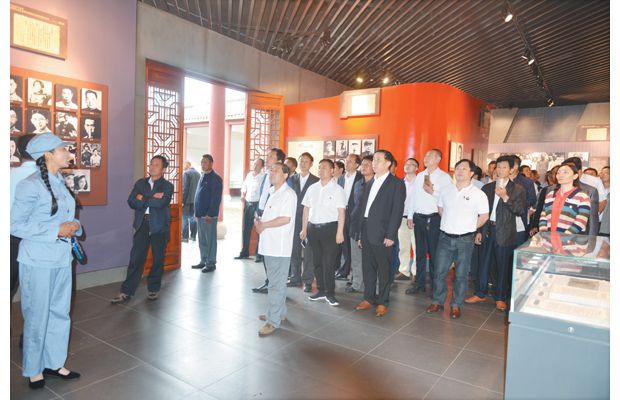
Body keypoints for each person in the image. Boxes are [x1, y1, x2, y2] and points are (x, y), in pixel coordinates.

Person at [11, 133, 82, 389]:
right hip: (37, 260)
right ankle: (34, 369)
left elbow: (66, 217)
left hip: (62, 258)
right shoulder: (29, 185)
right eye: (64, 149)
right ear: (48, 154)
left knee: (60, 313)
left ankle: (54, 362)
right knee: (37, 315)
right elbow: (15, 225)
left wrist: (75, 226)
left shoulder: (60, 181)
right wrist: (56, 230)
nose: (69, 153)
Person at [425, 159, 489, 319]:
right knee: (439, 272)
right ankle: (437, 301)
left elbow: (484, 216)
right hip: (445, 237)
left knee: (461, 274)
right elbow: (440, 209)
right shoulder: (446, 190)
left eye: (464, 169)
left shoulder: (479, 194)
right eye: (458, 168)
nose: (460, 171)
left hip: (465, 240)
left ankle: (456, 305)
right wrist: (450, 223)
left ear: (472, 173)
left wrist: (470, 228)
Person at [111, 155, 174, 303]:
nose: (152, 167)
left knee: (158, 259)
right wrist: (152, 198)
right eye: (151, 164)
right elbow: (131, 201)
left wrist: (143, 198)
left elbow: (161, 203)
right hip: (142, 224)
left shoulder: (167, 186)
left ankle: (153, 289)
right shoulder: (140, 183)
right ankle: (127, 291)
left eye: (156, 165)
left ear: (163, 169)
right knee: (136, 258)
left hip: (159, 226)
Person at [466, 155, 525, 311]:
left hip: (505, 231)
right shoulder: (488, 188)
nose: (500, 170)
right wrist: (479, 230)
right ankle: (480, 293)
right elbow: (480, 212)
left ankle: (500, 297)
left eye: (504, 167)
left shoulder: (517, 189)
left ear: (511, 169)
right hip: (487, 228)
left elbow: (519, 210)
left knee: (502, 265)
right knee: (483, 262)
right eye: (498, 167)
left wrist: (505, 197)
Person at [354, 150, 406, 317]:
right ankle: (368, 298)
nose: (374, 163)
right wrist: (360, 234)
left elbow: (397, 211)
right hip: (366, 230)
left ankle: (383, 302)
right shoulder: (370, 182)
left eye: (378, 160)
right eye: (373, 160)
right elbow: (364, 209)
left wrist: (391, 235)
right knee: (368, 267)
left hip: (383, 233)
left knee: (383, 270)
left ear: (388, 163)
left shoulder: (396, 184)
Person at [255, 162, 297, 336]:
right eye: (270, 170)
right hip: (269, 244)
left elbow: (286, 218)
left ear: (285, 175)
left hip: (279, 246)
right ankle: (279, 312)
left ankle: (273, 321)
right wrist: (259, 221)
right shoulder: (272, 192)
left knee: (275, 285)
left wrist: (263, 225)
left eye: (276, 170)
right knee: (277, 282)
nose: (271, 173)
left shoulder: (288, 194)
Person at [405, 149, 453, 295]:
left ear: (438, 159)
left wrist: (433, 192)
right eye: (425, 156)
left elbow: (449, 198)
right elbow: (413, 197)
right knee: (419, 253)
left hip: (434, 219)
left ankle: (435, 286)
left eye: (429, 156)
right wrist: (410, 216)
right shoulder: (420, 175)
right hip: (419, 218)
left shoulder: (444, 177)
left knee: (434, 254)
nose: (426, 158)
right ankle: (419, 283)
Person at [300, 159, 346, 307]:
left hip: (330, 229)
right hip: (313, 229)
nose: (321, 170)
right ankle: (320, 290)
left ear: (332, 171)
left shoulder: (337, 189)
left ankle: (330, 293)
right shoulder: (312, 188)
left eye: (324, 167)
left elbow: (341, 212)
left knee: (329, 262)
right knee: (317, 261)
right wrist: (304, 229)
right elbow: (306, 209)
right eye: (319, 167)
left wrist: (340, 232)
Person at [252, 148, 286, 293]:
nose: (267, 158)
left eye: (271, 156)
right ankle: (269, 281)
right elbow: (263, 196)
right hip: (262, 216)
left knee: (273, 255)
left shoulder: (283, 179)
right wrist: (257, 212)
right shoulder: (266, 175)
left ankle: (274, 284)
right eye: (268, 156)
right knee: (265, 253)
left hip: (273, 221)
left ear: (279, 161)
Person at [10, 134, 37, 305]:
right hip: (35, 237)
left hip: (11, 236)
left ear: (19, 152)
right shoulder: (44, 177)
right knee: (36, 289)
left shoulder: (10, 174)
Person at [287, 152, 319, 292]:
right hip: (293, 219)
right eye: (301, 161)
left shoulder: (316, 181)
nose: (303, 164)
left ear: (311, 164)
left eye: (306, 161)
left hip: (309, 220)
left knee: (308, 252)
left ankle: (307, 280)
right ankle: (295, 278)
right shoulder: (291, 179)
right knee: (294, 249)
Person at [347, 155, 374, 293]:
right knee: (356, 257)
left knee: (370, 259)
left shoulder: (377, 184)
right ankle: (357, 284)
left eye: (367, 164)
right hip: (355, 224)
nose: (364, 167)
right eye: (362, 164)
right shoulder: (358, 183)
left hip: (370, 226)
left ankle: (371, 286)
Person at [538, 164, 591, 234]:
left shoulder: (582, 196)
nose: (560, 175)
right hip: (549, 238)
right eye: (558, 173)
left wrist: (564, 236)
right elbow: (543, 216)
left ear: (575, 176)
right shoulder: (550, 195)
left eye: (565, 172)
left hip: (571, 239)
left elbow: (581, 221)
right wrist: (544, 233)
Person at [334, 154, 363, 280]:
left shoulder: (361, 178)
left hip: (354, 215)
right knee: (344, 244)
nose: (347, 163)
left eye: (350, 161)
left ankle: (356, 274)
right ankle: (344, 270)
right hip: (342, 214)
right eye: (346, 161)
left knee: (354, 245)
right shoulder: (340, 178)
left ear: (357, 165)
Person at [193, 154, 223, 273]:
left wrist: (210, 214)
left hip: (209, 216)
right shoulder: (202, 176)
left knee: (210, 240)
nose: (203, 164)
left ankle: (211, 263)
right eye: (202, 162)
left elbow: (216, 199)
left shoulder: (215, 178)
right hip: (200, 214)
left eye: (205, 162)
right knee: (202, 240)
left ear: (211, 163)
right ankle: (203, 260)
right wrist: (196, 213)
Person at [562, 157, 602, 234]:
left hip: (579, 235)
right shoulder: (553, 190)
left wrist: (591, 238)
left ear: (579, 173)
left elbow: (592, 219)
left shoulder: (590, 191)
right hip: (555, 233)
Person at [394, 157, 418, 281]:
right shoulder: (399, 183)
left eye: (411, 164)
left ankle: (415, 272)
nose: (407, 166)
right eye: (406, 164)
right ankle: (404, 271)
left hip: (416, 218)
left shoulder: (420, 182)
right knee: (403, 246)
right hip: (402, 218)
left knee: (416, 247)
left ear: (417, 168)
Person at [236, 158, 264, 257]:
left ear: (262, 167)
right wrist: (242, 195)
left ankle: (258, 254)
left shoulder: (263, 177)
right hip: (248, 203)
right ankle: (244, 252)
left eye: (258, 164)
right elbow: (244, 186)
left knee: (259, 229)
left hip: (258, 205)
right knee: (246, 229)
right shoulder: (249, 175)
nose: (255, 166)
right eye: (254, 164)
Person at [511, 156, 537, 246]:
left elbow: (532, 199)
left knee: (519, 247)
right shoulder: (501, 181)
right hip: (502, 224)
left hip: (520, 221)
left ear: (515, 166)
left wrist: (516, 204)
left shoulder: (527, 182)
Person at [529, 165, 560, 236]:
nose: (557, 175)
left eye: (558, 172)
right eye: (554, 173)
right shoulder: (546, 190)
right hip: (546, 226)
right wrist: (535, 225)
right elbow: (540, 208)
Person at [182, 161, 201, 242]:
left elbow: (185, 188)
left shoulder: (186, 173)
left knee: (185, 218)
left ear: (188, 165)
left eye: (184, 165)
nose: (183, 167)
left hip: (187, 200)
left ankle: (185, 237)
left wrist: (182, 200)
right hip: (196, 200)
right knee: (193, 218)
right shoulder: (198, 174)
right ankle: (193, 236)